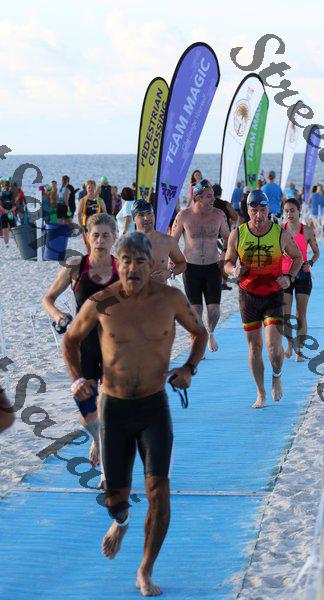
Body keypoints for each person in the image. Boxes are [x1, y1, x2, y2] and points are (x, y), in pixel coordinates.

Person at [61, 231, 208, 596]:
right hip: (114, 409)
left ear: (152, 265)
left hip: (153, 407)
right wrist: (78, 379)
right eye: (126, 261)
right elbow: (71, 340)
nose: (133, 268)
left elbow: (199, 333)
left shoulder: (170, 299)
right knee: (115, 499)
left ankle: (145, 570)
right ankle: (121, 521)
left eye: (140, 261)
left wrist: (189, 368)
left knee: (159, 492)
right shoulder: (101, 302)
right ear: (118, 263)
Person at [43, 213, 119, 467]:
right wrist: (57, 315)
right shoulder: (76, 267)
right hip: (83, 347)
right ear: (88, 236)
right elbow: (48, 299)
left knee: (106, 408)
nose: (100, 241)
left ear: (115, 238)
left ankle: (107, 472)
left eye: (106, 236)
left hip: (114, 347)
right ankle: (96, 439)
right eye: (95, 235)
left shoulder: (122, 268)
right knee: (88, 416)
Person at [224, 189, 302, 407]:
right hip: (248, 297)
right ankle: (261, 393)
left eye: (262, 210)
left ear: (269, 209)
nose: (258, 215)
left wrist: (289, 277)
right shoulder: (237, 234)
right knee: (255, 348)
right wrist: (233, 271)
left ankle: (277, 376)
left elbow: (297, 257)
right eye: (254, 210)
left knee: (274, 349)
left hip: (273, 296)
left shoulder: (279, 233)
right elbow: (227, 262)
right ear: (247, 211)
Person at [172, 179, 230, 353]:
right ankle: (199, 341)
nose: (213, 199)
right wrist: (173, 260)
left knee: (214, 310)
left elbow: (228, 237)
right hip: (191, 268)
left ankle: (210, 332)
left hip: (212, 267)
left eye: (213, 195)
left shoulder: (219, 215)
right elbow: (172, 241)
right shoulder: (184, 216)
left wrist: (224, 253)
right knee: (195, 311)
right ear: (198, 198)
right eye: (209, 196)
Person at [282, 199, 320, 361]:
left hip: (303, 275)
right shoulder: (280, 230)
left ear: (299, 211)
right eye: (286, 211)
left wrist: (310, 262)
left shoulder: (307, 231)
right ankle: (289, 343)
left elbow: (316, 252)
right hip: (285, 275)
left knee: (300, 314)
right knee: (285, 314)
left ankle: (299, 349)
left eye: (292, 210)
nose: (289, 214)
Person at [133, 200, 186, 283]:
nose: (146, 218)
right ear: (134, 219)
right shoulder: (127, 244)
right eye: (141, 215)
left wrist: (169, 273)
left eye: (149, 213)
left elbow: (182, 263)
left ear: (154, 215)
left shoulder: (167, 241)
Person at [212, 184, 238, 291]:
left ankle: (215, 281)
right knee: (225, 259)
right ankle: (223, 282)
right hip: (224, 236)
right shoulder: (226, 204)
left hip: (211, 235)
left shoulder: (208, 204)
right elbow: (235, 217)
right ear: (221, 193)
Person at [77, 180, 107, 250]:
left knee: (96, 245)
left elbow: (105, 214)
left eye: (92, 187)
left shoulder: (100, 200)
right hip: (86, 226)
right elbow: (79, 214)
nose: (91, 189)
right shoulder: (83, 200)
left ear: (95, 188)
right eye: (89, 187)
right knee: (88, 245)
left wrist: (105, 225)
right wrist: (81, 226)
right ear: (86, 188)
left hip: (97, 226)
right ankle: (89, 257)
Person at [0, 180, 17, 247]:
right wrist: (9, 210)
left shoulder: (2, 194)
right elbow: (15, 206)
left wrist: (5, 210)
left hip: (6, 213)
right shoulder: (11, 194)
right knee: (12, 228)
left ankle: (7, 243)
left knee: (6, 228)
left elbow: (15, 206)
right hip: (9, 213)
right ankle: (15, 243)